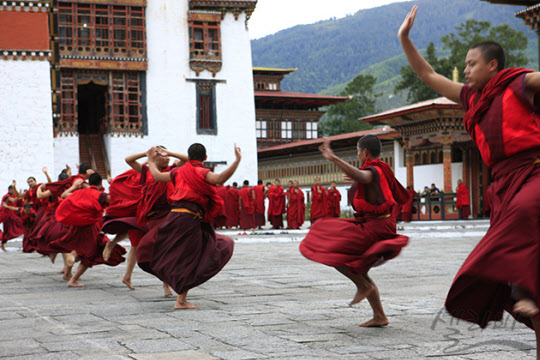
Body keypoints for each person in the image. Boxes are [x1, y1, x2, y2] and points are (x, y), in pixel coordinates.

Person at [399, 5, 540, 356]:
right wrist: (404, 39)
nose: (465, 69)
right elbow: (429, 75)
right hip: (503, 184)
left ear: (493, 65)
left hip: (535, 170)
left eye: (471, 63)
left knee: (523, 216)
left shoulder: (519, 83)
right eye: (464, 65)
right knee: (503, 253)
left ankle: (526, 293)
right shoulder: (471, 98)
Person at [300, 135, 410, 327]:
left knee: (332, 250)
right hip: (379, 222)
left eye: (358, 151)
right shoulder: (382, 168)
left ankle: (363, 286)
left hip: (374, 227)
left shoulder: (374, 170)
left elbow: (365, 176)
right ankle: (379, 316)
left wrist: (334, 158)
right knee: (360, 268)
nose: (357, 155)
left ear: (365, 152)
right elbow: (367, 180)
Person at [143, 143, 240, 309]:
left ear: (188, 157)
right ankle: (180, 301)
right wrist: (237, 160)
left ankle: (178, 293)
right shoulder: (202, 172)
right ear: (206, 158)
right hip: (189, 218)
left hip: (174, 216)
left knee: (181, 253)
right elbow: (220, 179)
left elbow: (158, 177)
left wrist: (151, 161)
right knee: (193, 255)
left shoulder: (178, 171)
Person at [118, 147, 186, 295]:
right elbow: (128, 160)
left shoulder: (172, 170)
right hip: (154, 217)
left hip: (169, 216)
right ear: (155, 158)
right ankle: (166, 282)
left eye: (167, 156)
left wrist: (171, 153)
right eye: (163, 156)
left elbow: (187, 160)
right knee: (157, 251)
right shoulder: (146, 171)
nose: (167, 158)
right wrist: (146, 154)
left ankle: (170, 284)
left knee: (166, 250)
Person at [51, 173, 126, 287]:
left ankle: (69, 269)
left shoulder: (79, 193)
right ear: (101, 183)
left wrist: (74, 186)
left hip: (77, 226)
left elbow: (64, 194)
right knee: (90, 256)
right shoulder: (101, 195)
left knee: (81, 249)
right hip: (90, 228)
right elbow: (117, 201)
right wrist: (113, 185)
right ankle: (73, 280)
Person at [0, 182, 25, 251]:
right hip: (6, 216)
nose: (15, 192)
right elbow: (14, 201)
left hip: (11, 216)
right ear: (10, 190)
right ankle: (2, 244)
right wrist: (18, 196)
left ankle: (2, 244)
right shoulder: (7, 196)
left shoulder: (13, 196)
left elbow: (19, 201)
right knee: (7, 231)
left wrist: (19, 196)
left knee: (9, 231)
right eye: (14, 190)